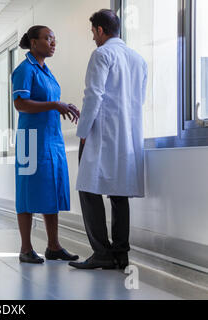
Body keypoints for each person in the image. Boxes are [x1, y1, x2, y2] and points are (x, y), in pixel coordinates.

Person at [69, 9, 148, 270]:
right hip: (127, 136)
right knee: (119, 193)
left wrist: (82, 133)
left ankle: (102, 252)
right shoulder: (139, 59)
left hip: (101, 134)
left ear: (101, 30)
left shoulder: (102, 54)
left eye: (93, 32)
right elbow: (138, 100)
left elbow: (93, 96)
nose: (93, 37)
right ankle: (120, 254)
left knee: (88, 190)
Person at [12, 25, 81, 264]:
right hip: (31, 140)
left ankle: (53, 246)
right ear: (33, 42)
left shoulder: (47, 72)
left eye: (55, 40)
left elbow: (51, 101)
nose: (53, 43)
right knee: (27, 192)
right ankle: (25, 248)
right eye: (48, 38)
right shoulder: (24, 69)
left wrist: (64, 106)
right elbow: (20, 104)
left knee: (52, 189)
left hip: (51, 139)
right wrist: (54, 105)